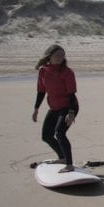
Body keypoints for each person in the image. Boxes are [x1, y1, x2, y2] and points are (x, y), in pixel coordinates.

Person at [32, 45, 79, 173]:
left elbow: (71, 94)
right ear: (49, 56)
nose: (60, 58)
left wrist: (71, 113)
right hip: (54, 107)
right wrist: (36, 109)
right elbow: (41, 91)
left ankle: (69, 164)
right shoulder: (43, 71)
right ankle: (62, 157)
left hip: (69, 106)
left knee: (60, 133)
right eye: (58, 55)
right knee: (46, 136)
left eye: (62, 55)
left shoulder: (67, 72)